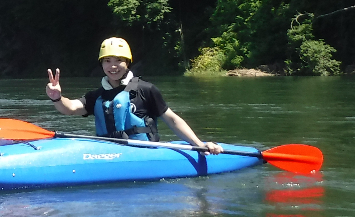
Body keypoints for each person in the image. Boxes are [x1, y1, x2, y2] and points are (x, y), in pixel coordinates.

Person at [45, 37, 223, 154]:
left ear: (128, 63)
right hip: (109, 153)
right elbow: (69, 108)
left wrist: (198, 144)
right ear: (102, 64)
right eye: (107, 61)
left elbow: (172, 120)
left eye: (118, 61)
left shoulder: (146, 89)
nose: (112, 66)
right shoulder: (98, 96)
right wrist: (57, 97)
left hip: (145, 152)